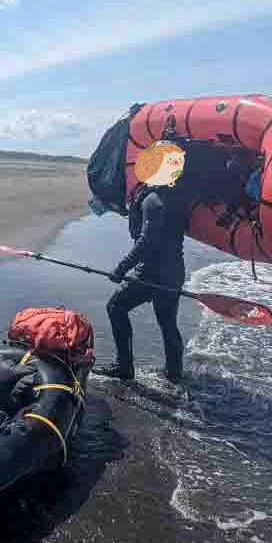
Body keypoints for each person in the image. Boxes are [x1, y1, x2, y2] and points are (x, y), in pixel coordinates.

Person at [93, 141, 188, 383]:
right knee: (167, 323)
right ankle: (175, 375)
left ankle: (124, 368)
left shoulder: (153, 201)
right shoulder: (178, 195)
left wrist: (121, 268)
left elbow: (146, 242)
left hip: (152, 273)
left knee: (116, 306)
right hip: (175, 271)